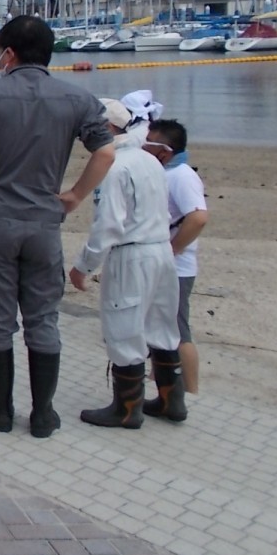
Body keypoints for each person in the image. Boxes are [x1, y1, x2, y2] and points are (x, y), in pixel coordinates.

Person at [0, 16, 115, 439]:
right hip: (43, 222)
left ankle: (2, 409)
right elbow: (106, 153)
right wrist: (74, 196)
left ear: (9, 53)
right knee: (43, 319)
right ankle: (43, 413)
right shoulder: (78, 99)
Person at [69, 100, 180, 429]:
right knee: (162, 326)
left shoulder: (114, 166)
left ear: (107, 128)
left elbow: (108, 225)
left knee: (124, 329)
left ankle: (127, 409)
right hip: (161, 250)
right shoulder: (149, 160)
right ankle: (172, 400)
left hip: (132, 254)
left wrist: (83, 265)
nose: (83, 139)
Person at [144, 119, 208, 403]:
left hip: (177, 268)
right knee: (159, 327)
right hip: (162, 264)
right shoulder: (165, 172)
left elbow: (198, 217)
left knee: (178, 331)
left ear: (165, 150)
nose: (143, 146)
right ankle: (161, 383)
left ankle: (191, 394)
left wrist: (172, 250)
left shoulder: (182, 176)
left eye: (149, 142)